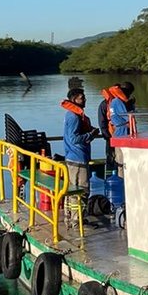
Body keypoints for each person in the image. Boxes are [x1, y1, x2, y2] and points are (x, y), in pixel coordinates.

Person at [60, 88, 99, 221]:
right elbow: (74, 139)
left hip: (73, 157)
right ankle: (77, 220)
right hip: (77, 159)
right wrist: (90, 134)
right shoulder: (74, 116)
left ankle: (70, 217)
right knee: (81, 190)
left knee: (72, 190)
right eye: (82, 98)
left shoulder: (71, 115)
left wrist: (89, 135)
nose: (85, 100)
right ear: (74, 100)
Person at [105, 82, 136, 168]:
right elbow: (128, 117)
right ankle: (122, 180)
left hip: (118, 132)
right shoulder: (118, 102)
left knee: (120, 160)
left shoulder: (114, 101)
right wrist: (131, 106)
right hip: (122, 132)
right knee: (123, 162)